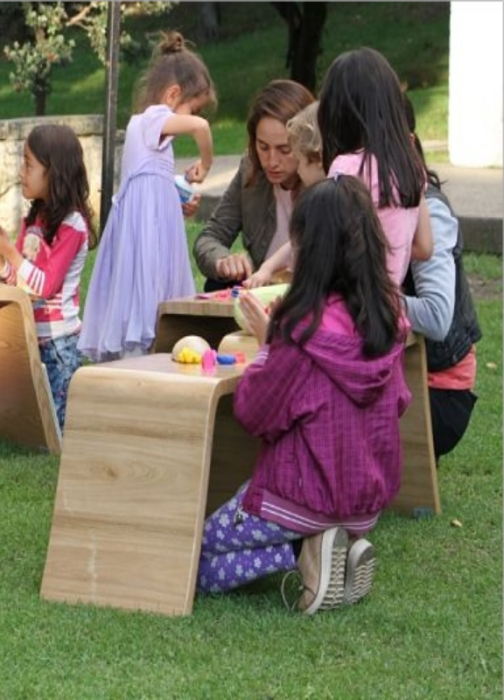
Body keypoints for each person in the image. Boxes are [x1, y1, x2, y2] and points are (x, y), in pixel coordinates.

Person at [196, 175, 411, 614]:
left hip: (301, 495)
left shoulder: (301, 330)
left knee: (195, 556)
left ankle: (306, 552)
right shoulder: (390, 319)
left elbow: (255, 412)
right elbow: (401, 402)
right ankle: (332, 545)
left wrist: (268, 343)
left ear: (310, 251)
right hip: (364, 497)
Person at [78, 30, 215, 362]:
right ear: (172, 95)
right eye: (192, 107)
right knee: (146, 295)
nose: (193, 116)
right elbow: (202, 129)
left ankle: (149, 352)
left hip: (148, 235)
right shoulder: (152, 118)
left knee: (148, 295)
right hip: (145, 243)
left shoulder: (149, 131)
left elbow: (152, 184)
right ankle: (144, 355)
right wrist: (206, 165)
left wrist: (178, 193)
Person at [0, 124, 93, 429]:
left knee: (56, 427)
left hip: (58, 342)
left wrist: (11, 254)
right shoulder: (35, 220)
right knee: (30, 423)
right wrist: (0, 261)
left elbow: (46, 285)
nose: (20, 172)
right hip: (30, 335)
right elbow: (20, 284)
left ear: (54, 171)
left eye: (28, 164)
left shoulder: (73, 225)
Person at [401, 97, 482, 459]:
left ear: (408, 143)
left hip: (437, 393)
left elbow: (435, 316)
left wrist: (360, 296)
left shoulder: (429, 208)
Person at [319, 47, 433, 286]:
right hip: (391, 310)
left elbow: (331, 253)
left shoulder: (345, 168)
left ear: (333, 112)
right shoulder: (411, 167)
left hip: (352, 309)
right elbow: (424, 247)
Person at [192, 80, 315, 291]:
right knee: (215, 285)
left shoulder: (328, 180)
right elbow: (210, 236)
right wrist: (223, 262)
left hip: (309, 296)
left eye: (285, 149)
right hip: (263, 294)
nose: (272, 161)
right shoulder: (251, 169)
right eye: (263, 147)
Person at [244, 100, 324, 288]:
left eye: (300, 160)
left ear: (318, 158)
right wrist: (267, 268)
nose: (272, 162)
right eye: (263, 147)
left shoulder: (329, 197)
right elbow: (297, 240)